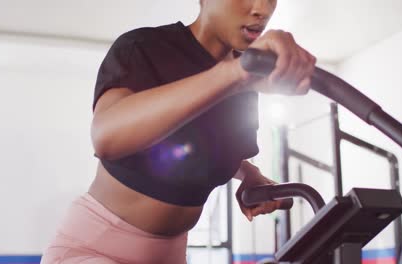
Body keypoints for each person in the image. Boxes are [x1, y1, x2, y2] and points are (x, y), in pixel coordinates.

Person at [41, 0, 316, 263]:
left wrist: (249, 174)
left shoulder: (245, 85)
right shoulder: (143, 48)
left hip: (171, 254)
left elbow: (199, 147)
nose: (262, 8)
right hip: (96, 248)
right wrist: (234, 75)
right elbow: (106, 138)